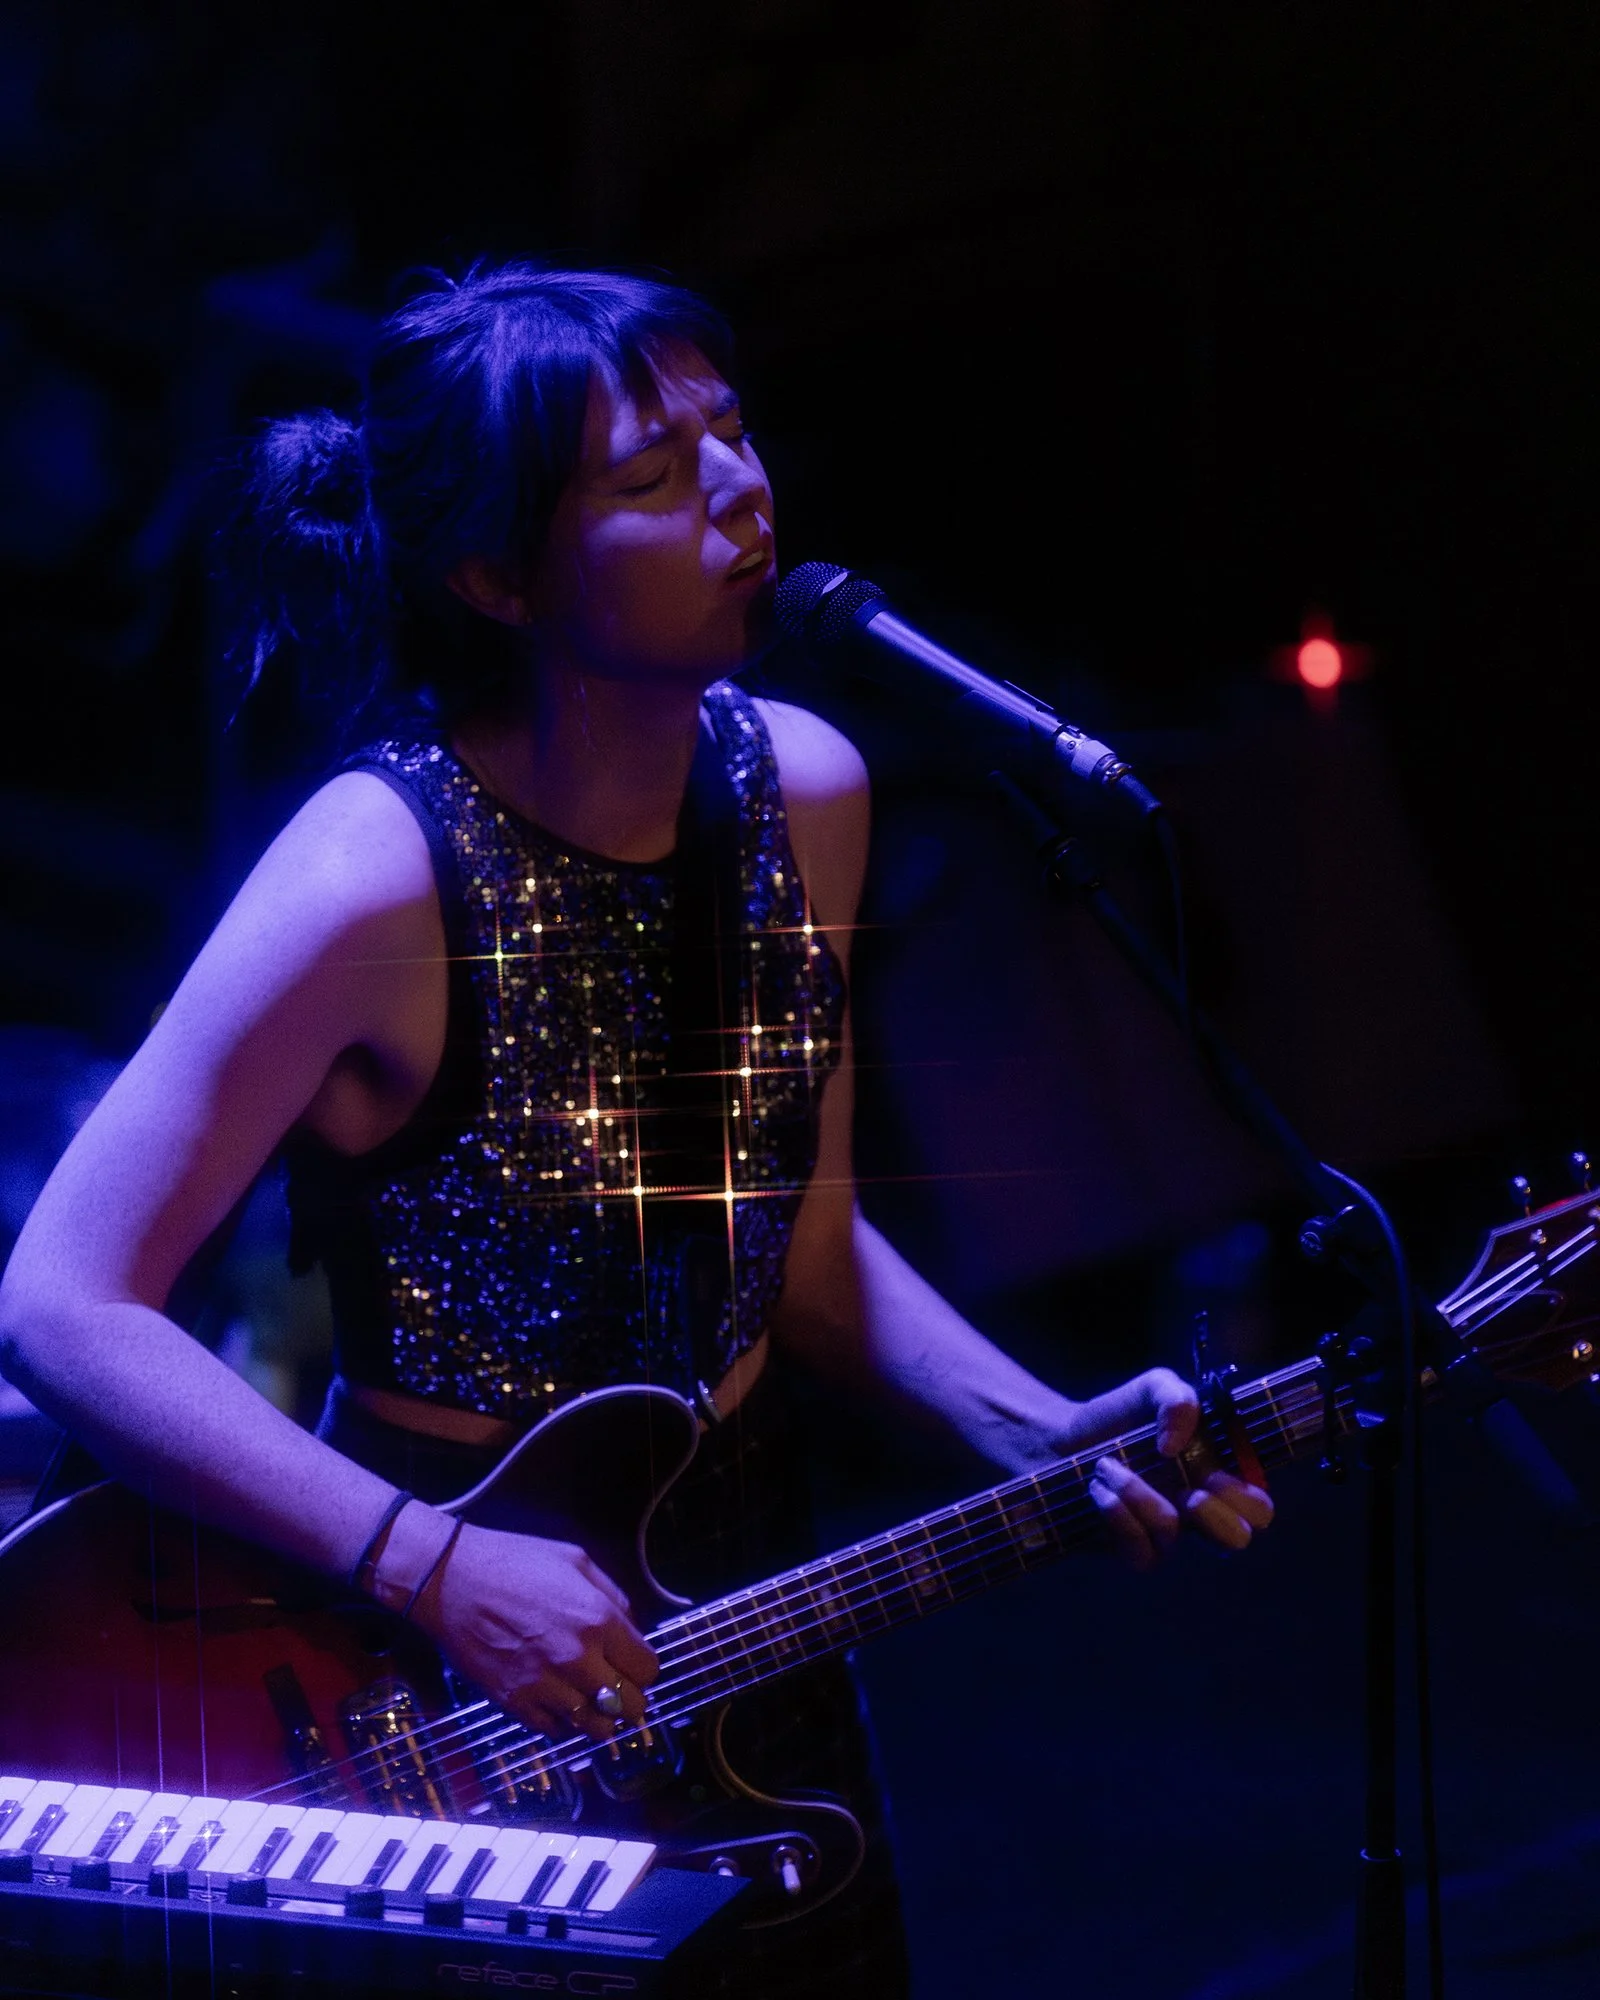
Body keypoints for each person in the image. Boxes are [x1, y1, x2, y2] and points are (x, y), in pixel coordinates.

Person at [0, 263, 1273, 1996]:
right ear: (497, 577)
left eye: (734, 432)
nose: (742, 491)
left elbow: (795, 1247)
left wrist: (1035, 1424)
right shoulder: (372, 876)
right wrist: (435, 1566)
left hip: (748, 1602)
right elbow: (61, 1302)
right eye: (656, 475)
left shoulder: (805, 790)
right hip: (421, 1649)